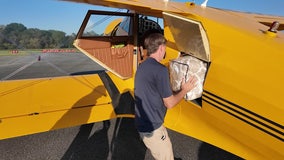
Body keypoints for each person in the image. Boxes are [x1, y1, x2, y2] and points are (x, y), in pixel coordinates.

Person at [134, 33, 197, 160]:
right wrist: (184, 90)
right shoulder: (160, 70)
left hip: (143, 124)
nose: (165, 52)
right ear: (161, 48)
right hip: (153, 128)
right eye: (165, 49)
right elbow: (170, 103)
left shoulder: (142, 67)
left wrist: (177, 90)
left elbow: (157, 91)